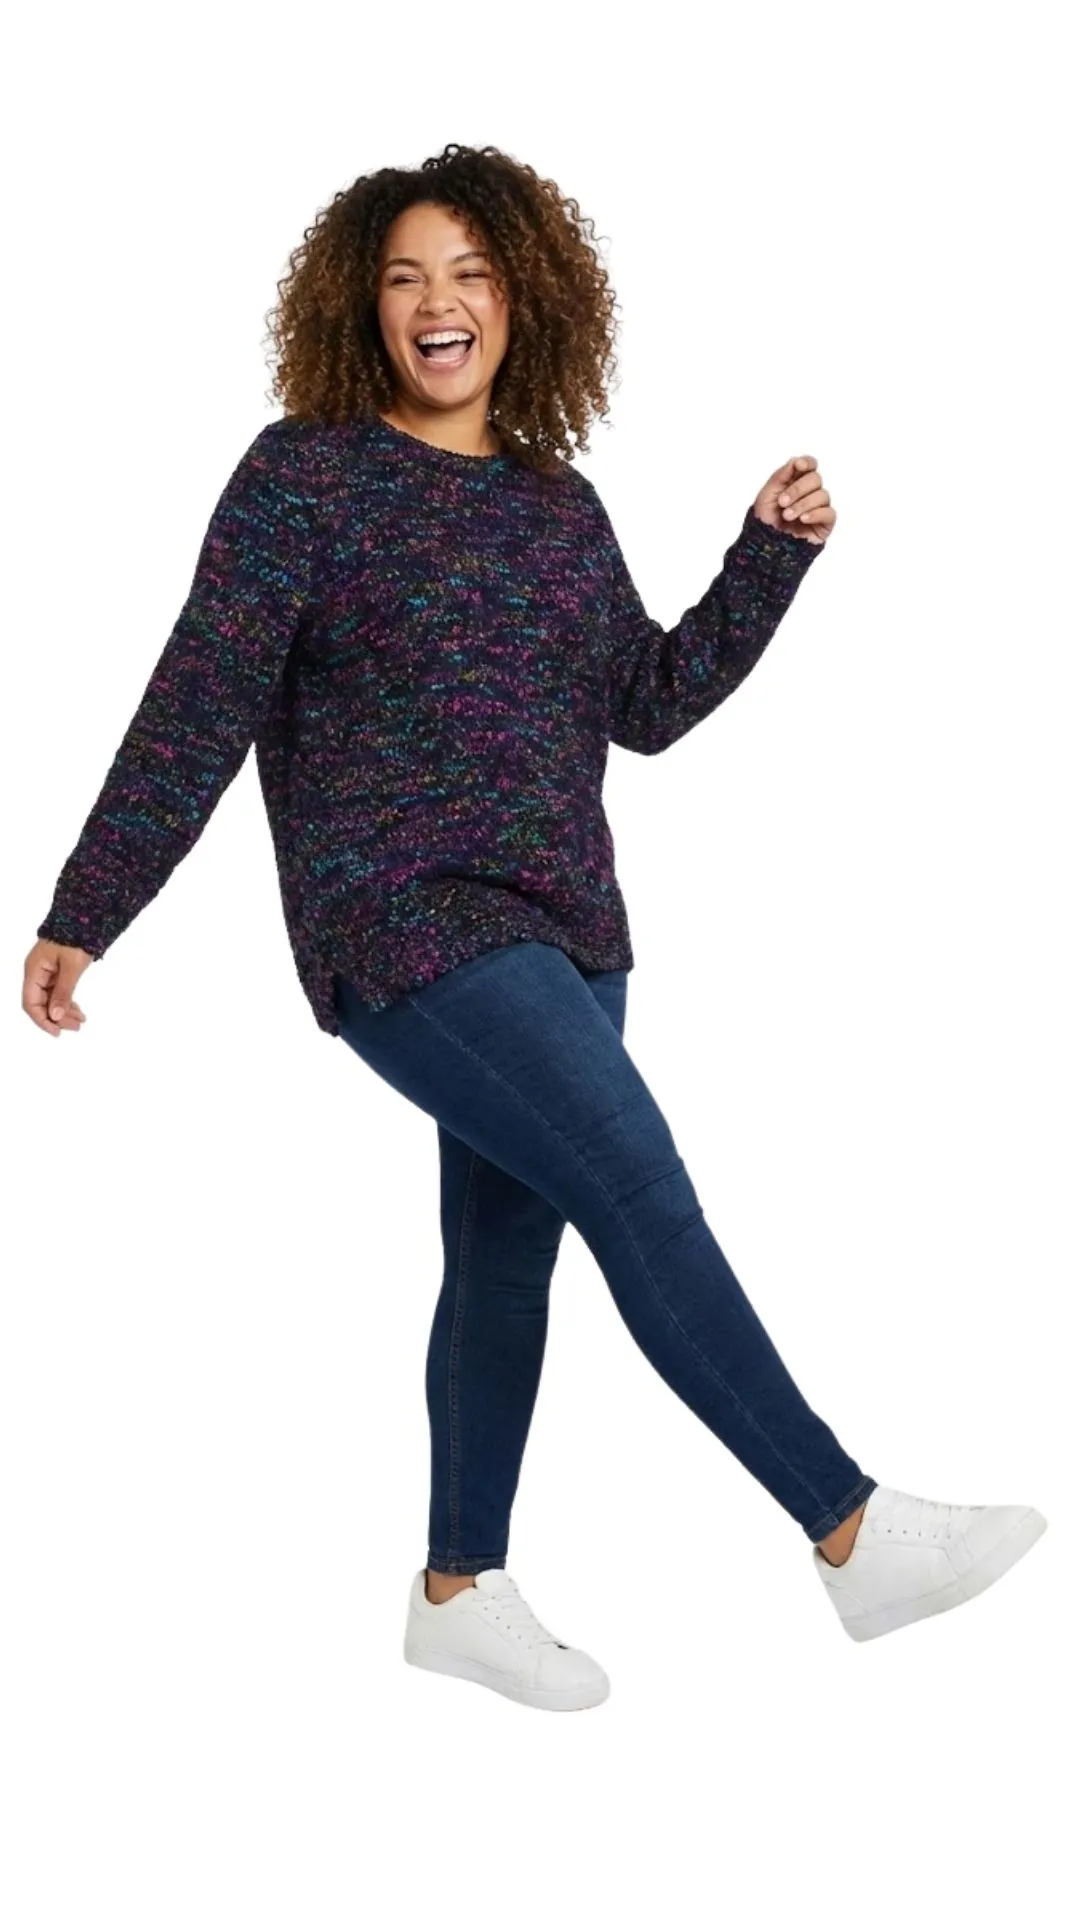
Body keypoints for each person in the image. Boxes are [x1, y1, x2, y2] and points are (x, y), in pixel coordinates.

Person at [26, 142, 1047, 1712]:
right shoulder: (305, 476)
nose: (437, 304)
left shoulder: (557, 505)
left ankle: (460, 1589)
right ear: (362, 307)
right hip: (400, 920)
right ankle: (849, 1528)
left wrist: (768, 558)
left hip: (570, 932)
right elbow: (199, 702)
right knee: (638, 1182)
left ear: (523, 301)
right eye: (404, 278)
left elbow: (647, 702)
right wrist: (90, 909)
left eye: (470, 274)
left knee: (506, 1259)